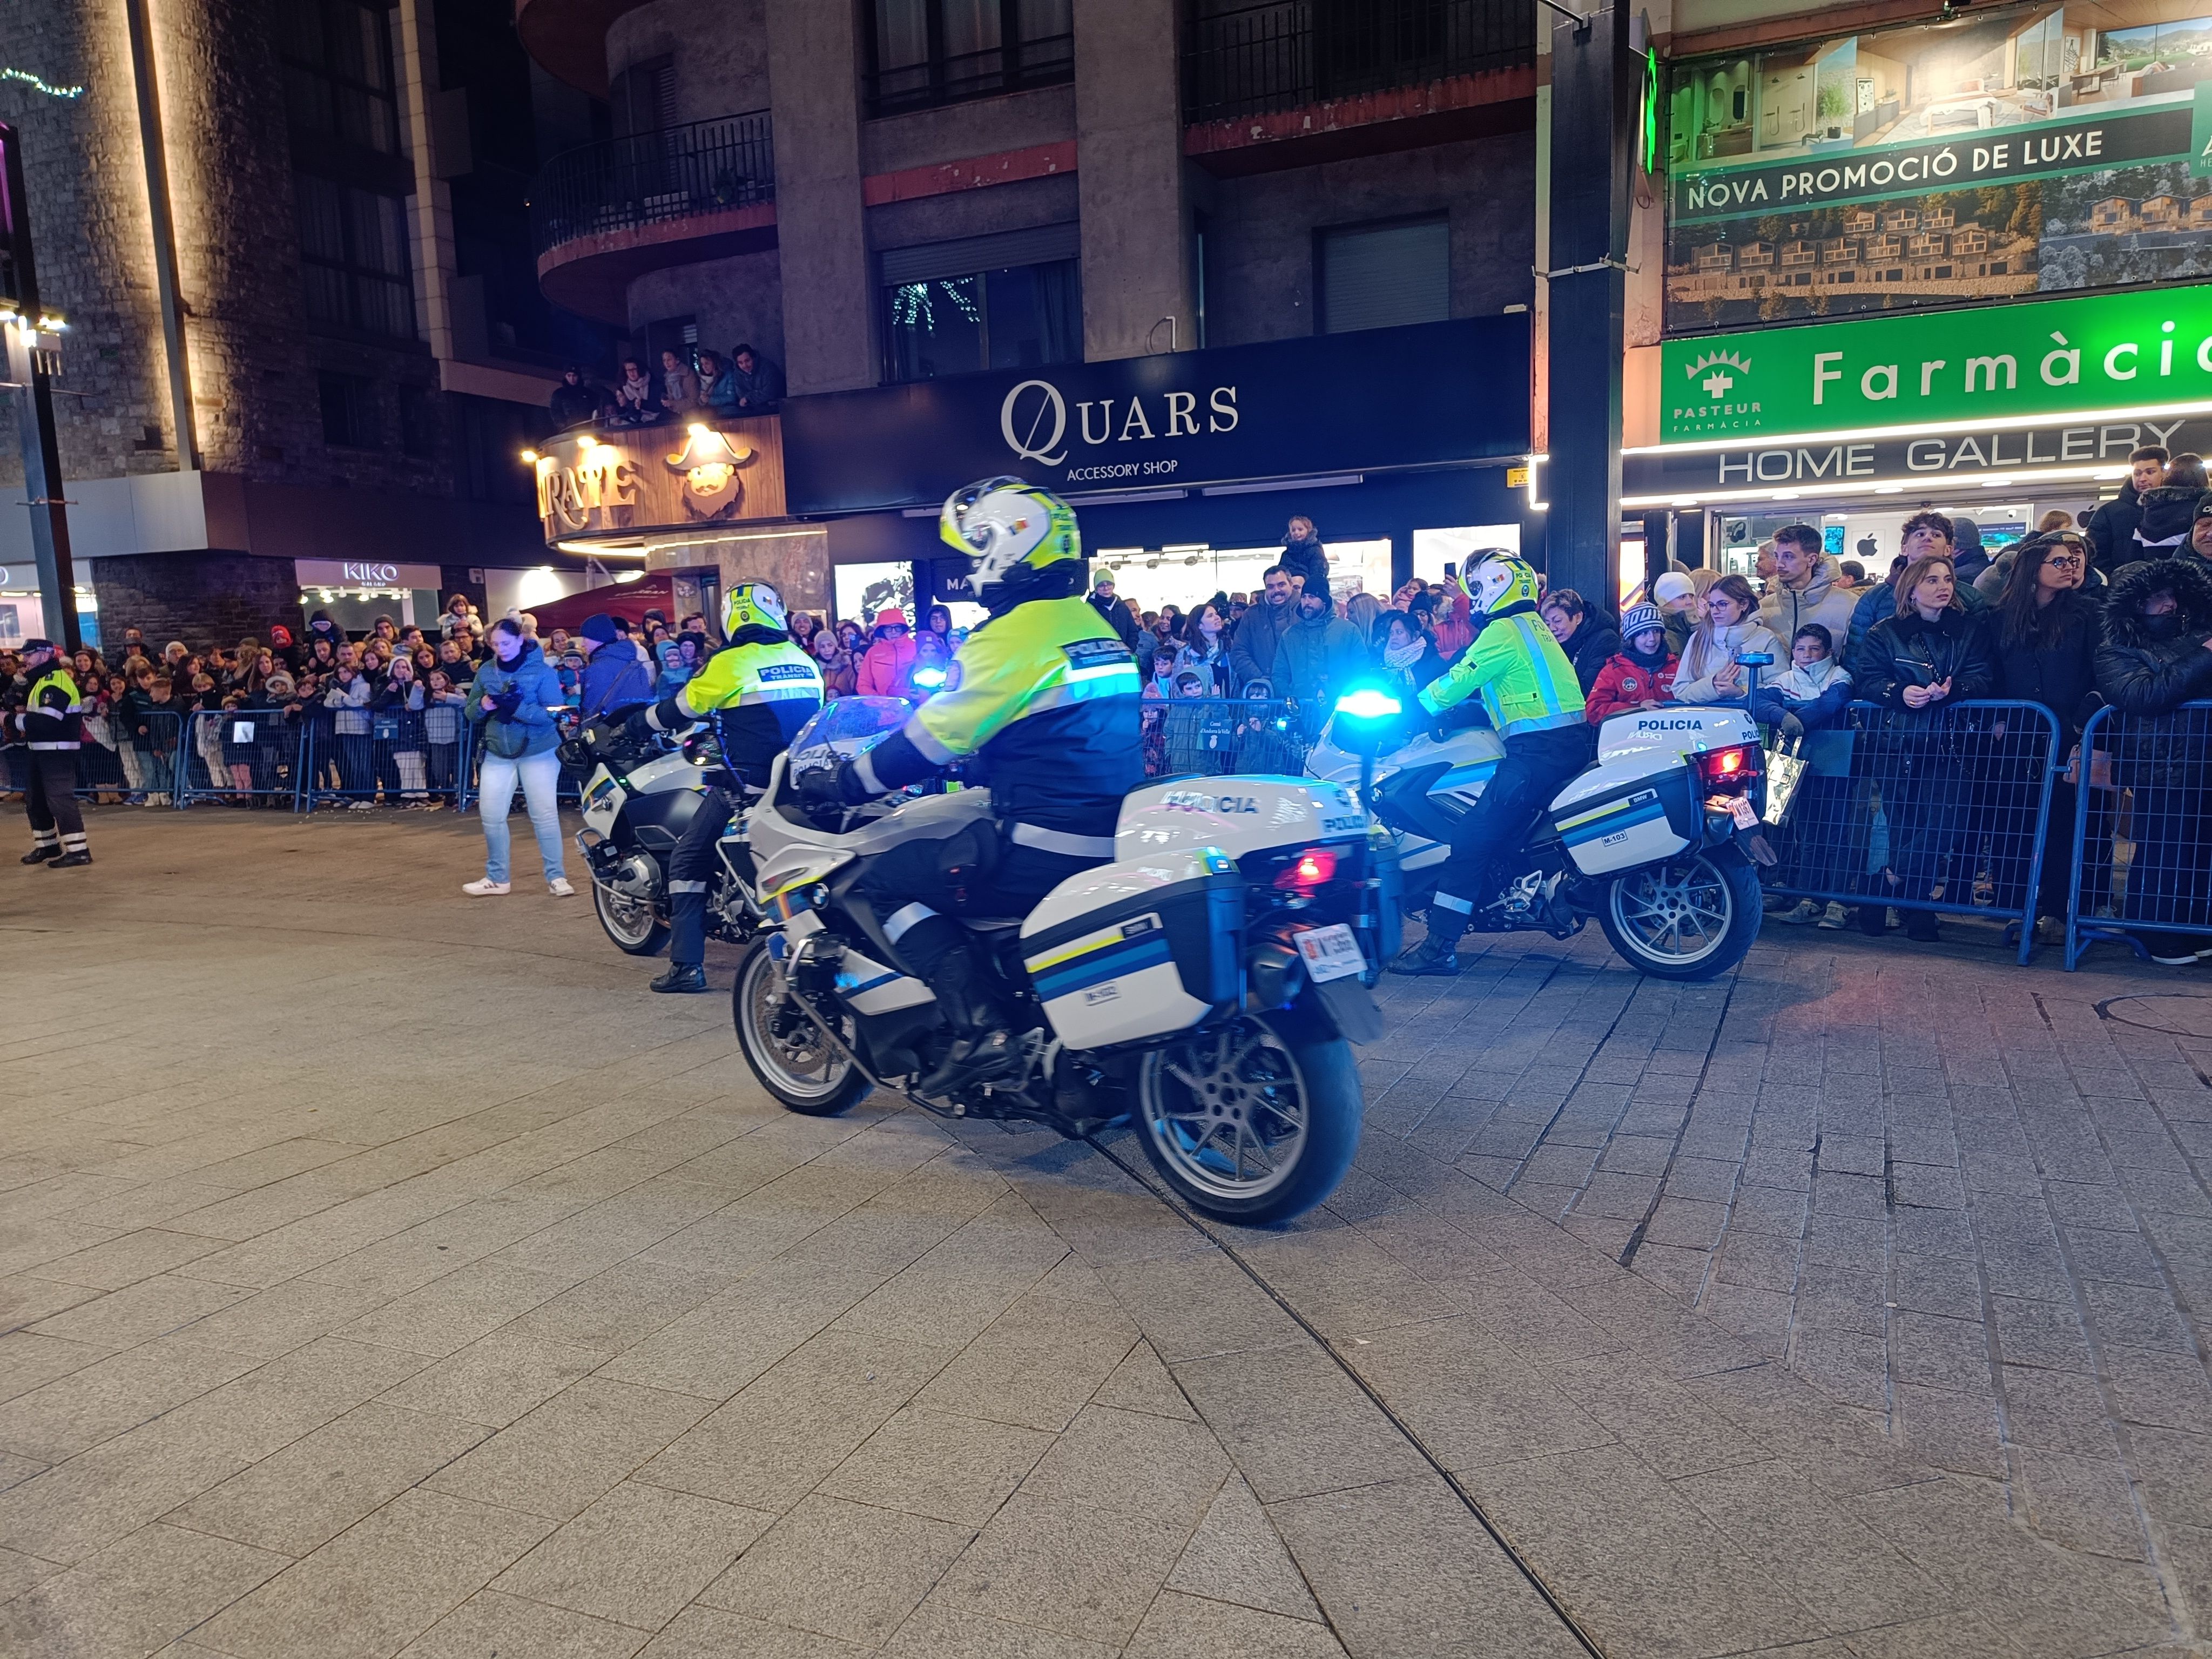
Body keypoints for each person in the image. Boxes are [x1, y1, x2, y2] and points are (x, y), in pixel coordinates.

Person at [797, 478, 1142, 1091]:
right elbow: (1056, 734)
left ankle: (981, 1028)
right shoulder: (1094, 625)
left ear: (1011, 547)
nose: (973, 561)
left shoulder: (1009, 636)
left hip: (1042, 845)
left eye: (979, 544)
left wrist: (848, 783)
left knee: (881, 886)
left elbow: (929, 743)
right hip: (1111, 837)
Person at [1390, 552, 1588, 976]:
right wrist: (1468, 713)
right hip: (1565, 744)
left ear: (1497, 585)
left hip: (1537, 752)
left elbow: (1458, 679)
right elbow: (1512, 686)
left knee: (1471, 840)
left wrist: (1410, 710)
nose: (1474, 598)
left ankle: (1439, 947)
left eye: (1477, 589)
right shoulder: (1532, 625)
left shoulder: (1502, 631)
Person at [630, 583, 824, 992]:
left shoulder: (729, 662)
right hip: (800, 782)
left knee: (687, 861)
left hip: (746, 788)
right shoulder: (803, 659)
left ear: (732, 617)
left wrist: (634, 724)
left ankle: (686, 968)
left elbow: (681, 708)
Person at [1851, 553, 1994, 942]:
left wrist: (1956, 691)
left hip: (1950, 741)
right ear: (1911, 589)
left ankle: (1885, 882)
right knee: (1904, 826)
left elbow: (1983, 676)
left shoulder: (1970, 630)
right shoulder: (1885, 632)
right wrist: (1899, 692)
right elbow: (1866, 679)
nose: (1943, 586)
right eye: (1931, 580)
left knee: (1948, 823)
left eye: (1946, 579)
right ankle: (1918, 910)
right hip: (1897, 741)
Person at [2093, 557, 2212, 965]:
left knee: (2199, 852)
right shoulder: (2117, 649)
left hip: (2203, 758)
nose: (2168, 604)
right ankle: (2154, 932)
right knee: (2166, 850)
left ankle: (2192, 927)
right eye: (2156, 597)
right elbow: (2145, 696)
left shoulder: (2196, 634)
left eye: (2170, 595)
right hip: (2160, 763)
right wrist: (2205, 653)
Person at [1989, 530, 2103, 942]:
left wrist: (2080, 722)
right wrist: (1997, 718)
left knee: (2063, 825)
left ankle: (2059, 910)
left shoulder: (2089, 613)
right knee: (2014, 824)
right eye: (2058, 561)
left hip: (2070, 734)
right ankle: (2016, 908)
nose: (2069, 567)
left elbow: (2101, 671)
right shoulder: (2001, 617)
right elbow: (1992, 672)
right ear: (2031, 569)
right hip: (2017, 737)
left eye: (2073, 561)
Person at [464, 617, 573, 898]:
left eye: (507, 643)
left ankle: (557, 877)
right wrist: (483, 705)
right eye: (496, 644)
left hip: (539, 750)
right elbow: (470, 712)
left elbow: (554, 714)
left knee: (544, 814)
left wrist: (517, 708)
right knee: (491, 816)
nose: (501, 649)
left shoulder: (542, 671)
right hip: (498, 751)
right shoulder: (486, 671)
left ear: (521, 640)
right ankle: (497, 878)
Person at [11, 639, 91, 867]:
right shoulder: (39, 681)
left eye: (29, 655)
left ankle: (79, 851)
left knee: (60, 800)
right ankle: (47, 845)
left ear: (45, 656)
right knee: (36, 800)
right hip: (40, 750)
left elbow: (47, 721)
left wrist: (11, 720)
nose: (24, 659)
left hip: (57, 752)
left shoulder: (54, 681)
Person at [1674, 575, 1781, 705]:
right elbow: (1680, 691)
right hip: (1705, 720)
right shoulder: (1698, 638)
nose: (1715, 611)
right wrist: (1714, 684)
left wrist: (1741, 693)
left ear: (1744, 604)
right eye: (1712, 605)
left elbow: (1779, 688)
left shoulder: (1766, 639)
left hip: (1751, 721)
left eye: (1723, 604)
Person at [1277, 580, 1365, 732]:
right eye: (1304, 597)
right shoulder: (1290, 635)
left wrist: (1350, 697)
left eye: (1312, 597)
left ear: (1324, 601)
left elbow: (1361, 668)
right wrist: (1291, 699)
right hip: (1302, 712)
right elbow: (1279, 673)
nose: (1306, 602)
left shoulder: (1348, 631)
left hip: (1342, 712)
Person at [1759, 524, 1858, 646]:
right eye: (1777, 556)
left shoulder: (1849, 605)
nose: (1779, 564)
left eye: (1788, 556)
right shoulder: (1764, 607)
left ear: (1811, 560)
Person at [1584, 602, 1678, 723]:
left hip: (1672, 738)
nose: (1652, 639)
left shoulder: (1676, 667)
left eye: (1656, 631)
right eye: (1644, 633)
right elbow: (1594, 711)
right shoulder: (1614, 671)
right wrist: (1637, 708)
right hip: (1628, 739)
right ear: (1631, 638)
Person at [2086, 446, 2167, 575]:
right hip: (2123, 590)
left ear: (2164, 472)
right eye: (2138, 473)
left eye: (2150, 472)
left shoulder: (2177, 509)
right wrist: (2116, 583)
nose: (2142, 479)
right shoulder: (2109, 512)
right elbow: (2095, 556)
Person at [2123, 454, 2209, 565]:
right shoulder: (2202, 512)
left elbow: (2133, 560)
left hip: (2153, 578)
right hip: (2194, 579)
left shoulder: (2147, 512)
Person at [1229, 564, 1297, 692]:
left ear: (1291, 584)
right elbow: (1239, 652)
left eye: (1281, 585)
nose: (1276, 590)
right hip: (1263, 693)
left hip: (1300, 692)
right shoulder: (1251, 615)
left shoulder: (1304, 612)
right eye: (1270, 587)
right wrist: (1259, 679)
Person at [1540, 589, 1620, 694]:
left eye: (1558, 621)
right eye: (1548, 624)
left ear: (1578, 617)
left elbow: (1590, 688)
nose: (1552, 628)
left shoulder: (1605, 640)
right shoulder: (1553, 644)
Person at [577, 613, 653, 716]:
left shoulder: (599, 667)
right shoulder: (632, 661)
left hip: (611, 726)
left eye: (585, 639)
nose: (583, 644)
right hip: (636, 722)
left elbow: (593, 706)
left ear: (598, 638)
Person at [1373, 608, 1444, 702]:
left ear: (1415, 636)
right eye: (1391, 633)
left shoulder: (1433, 663)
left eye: (1399, 632)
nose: (1394, 637)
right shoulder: (1382, 661)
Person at [855, 609, 917, 698]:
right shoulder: (873, 653)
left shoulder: (916, 647)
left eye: (897, 628)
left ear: (903, 629)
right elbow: (863, 684)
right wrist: (879, 701)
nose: (894, 632)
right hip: (884, 708)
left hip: (915, 705)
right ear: (882, 630)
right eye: (889, 629)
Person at [1176, 601, 1233, 694]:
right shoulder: (1187, 654)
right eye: (1210, 616)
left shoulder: (1229, 647)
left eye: (1216, 614)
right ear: (1199, 625)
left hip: (1231, 705)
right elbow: (1178, 690)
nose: (1217, 618)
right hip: (1201, 707)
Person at [1278, 514, 1330, 605]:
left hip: (1307, 594)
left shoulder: (1315, 551)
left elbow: (1317, 575)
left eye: (1300, 529)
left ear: (1308, 531)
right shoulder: (1286, 554)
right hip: (1288, 596)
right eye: (1293, 530)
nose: (1296, 533)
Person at [1653, 570, 1700, 657]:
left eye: (1691, 596)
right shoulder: (1659, 633)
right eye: (1682, 597)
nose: (1690, 602)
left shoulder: (1701, 626)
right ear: (1665, 602)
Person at [727, 344, 785, 413]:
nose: (745, 365)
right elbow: (742, 396)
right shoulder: (737, 374)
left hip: (777, 410)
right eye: (741, 363)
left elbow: (770, 393)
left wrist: (749, 398)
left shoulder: (768, 368)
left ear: (753, 357)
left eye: (747, 361)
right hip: (752, 412)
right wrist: (753, 397)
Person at [550, 365, 608, 430]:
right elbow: (556, 412)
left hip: (587, 430)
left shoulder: (589, 393)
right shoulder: (559, 394)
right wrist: (564, 426)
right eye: (569, 376)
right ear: (565, 376)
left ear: (579, 376)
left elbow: (596, 412)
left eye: (574, 376)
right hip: (568, 432)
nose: (572, 379)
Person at [611, 357, 663, 424]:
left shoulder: (654, 384)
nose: (632, 372)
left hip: (658, 421)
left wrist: (642, 404)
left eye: (634, 369)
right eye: (628, 370)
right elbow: (628, 409)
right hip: (638, 423)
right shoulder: (625, 387)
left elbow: (659, 406)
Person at [660, 348, 700, 418]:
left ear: (677, 360)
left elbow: (694, 400)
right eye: (664, 360)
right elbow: (672, 396)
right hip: (677, 415)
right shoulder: (668, 377)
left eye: (669, 359)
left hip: (693, 415)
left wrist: (673, 403)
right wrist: (667, 401)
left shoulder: (688, 375)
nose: (667, 363)